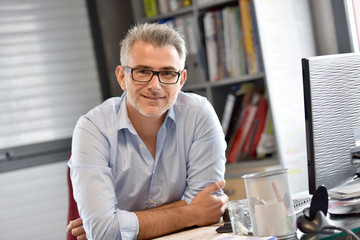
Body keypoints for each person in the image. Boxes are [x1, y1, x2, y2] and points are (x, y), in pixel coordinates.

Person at [67, 22, 228, 240]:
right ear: (122, 77)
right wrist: (190, 213)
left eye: (168, 73)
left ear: (181, 80)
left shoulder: (199, 115)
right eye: (142, 71)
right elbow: (104, 232)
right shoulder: (93, 128)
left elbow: (207, 208)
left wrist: (117, 223)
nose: (155, 85)